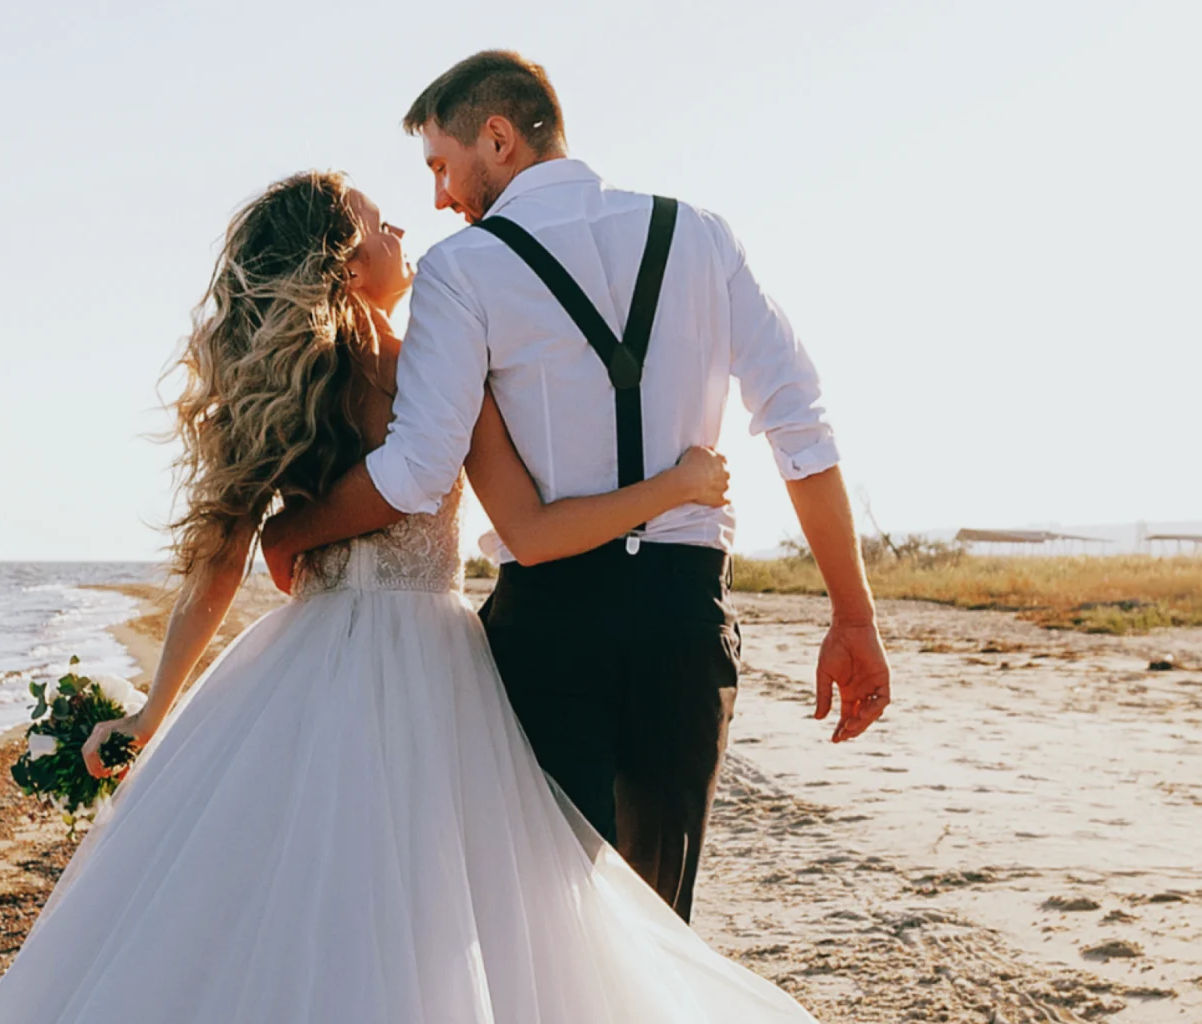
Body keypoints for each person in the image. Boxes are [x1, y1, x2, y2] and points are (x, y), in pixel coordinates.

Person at [0, 168, 818, 1022]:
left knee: (283, 904)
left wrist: (158, 707)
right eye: (379, 223)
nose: (401, 233)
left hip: (303, 667)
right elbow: (531, 528)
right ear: (341, 261)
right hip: (435, 673)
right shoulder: (437, 375)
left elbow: (220, 564)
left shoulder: (282, 394)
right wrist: (671, 487)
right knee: (439, 917)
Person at [259, 50, 892, 921]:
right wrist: (851, 616)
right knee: (658, 926)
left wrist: (294, 532)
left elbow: (416, 468)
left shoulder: (463, 268)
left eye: (442, 165)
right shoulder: (700, 235)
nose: (440, 196)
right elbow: (799, 426)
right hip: (682, 620)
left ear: (499, 137)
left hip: (549, 626)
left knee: (552, 929)